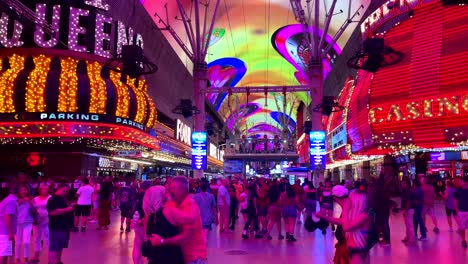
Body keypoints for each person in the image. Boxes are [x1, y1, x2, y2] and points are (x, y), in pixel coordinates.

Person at [148, 176, 207, 264]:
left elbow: (186, 237)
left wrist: (161, 241)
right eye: (170, 188)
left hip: (193, 257)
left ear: (183, 190)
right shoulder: (174, 203)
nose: (170, 191)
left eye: (173, 188)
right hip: (181, 256)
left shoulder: (189, 206)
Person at [316, 188, 371, 264]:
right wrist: (323, 217)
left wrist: (345, 210)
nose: (348, 200)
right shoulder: (355, 215)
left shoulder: (364, 216)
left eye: (350, 199)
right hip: (352, 251)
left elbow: (346, 227)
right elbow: (340, 221)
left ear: (357, 201)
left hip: (358, 253)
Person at [315, 185, 349, 264]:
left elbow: (343, 223)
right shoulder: (346, 206)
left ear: (335, 197)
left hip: (347, 244)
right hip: (344, 243)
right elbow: (341, 221)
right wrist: (323, 216)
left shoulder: (347, 207)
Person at [47, 184, 74, 264]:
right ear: (60, 188)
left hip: (64, 227)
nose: (66, 192)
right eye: (65, 190)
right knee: (54, 246)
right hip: (56, 227)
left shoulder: (62, 199)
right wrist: (68, 209)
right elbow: (53, 212)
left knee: (60, 245)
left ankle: (58, 261)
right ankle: (51, 262)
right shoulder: (53, 199)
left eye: (67, 191)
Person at [132, 180, 151, 264]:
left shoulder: (138, 194)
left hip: (137, 219)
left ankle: (136, 262)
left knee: (137, 244)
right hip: (145, 222)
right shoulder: (149, 195)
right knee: (149, 244)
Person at [15, 185, 35, 264]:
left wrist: (30, 203)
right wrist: (21, 201)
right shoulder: (15, 200)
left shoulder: (31, 199)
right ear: (19, 192)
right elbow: (13, 209)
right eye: (22, 190)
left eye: (25, 190)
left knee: (26, 241)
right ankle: (17, 259)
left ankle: (26, 258)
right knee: (18, 242)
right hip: (17, 223)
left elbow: (34, 211)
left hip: (28, 222)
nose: (24, 191)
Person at [32, 185, 51, 262]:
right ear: (40, 190)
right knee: (36, 238)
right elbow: (32, 208)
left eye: (47, 189)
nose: (45, 190)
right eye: (43, 189)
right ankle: (36, 256)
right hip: (37, 221)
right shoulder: (35, 198)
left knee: (48, 238)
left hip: (47, 220)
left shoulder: (50, 198)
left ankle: (50, 258)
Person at [0, 187, 18, 264]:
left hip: (2, 230)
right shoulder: (11, 201)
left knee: (3, 254)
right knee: (4, 255)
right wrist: (10, 232)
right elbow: (7, 216)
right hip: (5, 232)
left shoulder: (3, 201)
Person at [454, 176, 468, 248]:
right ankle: (463, 240)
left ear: (466, 182)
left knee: (463, 227)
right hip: (461, 211)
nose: (459, 183)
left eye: (460, 181)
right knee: (462, 227)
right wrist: (457, 211)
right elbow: (455, 201)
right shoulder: (458, 191)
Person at [400, 179, 415, 244]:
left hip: (408, 209)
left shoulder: (408, 191)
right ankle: (407, 237)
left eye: (403, 183)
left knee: (409, 225)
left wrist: (406, 210)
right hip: (406, 209)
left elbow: (408, 202)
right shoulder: (405, 191)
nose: (402, 185)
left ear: (407, 184)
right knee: (407, 224)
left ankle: (411, 239)